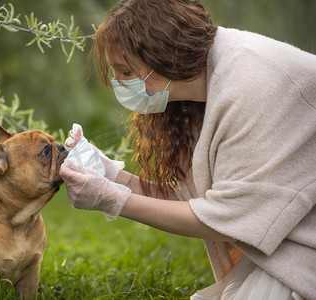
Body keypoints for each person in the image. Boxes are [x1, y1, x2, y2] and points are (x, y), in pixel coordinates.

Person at [59, 0, 316, 299]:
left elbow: (229, 218)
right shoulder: (206, 82)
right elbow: (197, 197)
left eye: (126, 71)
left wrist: (114, 200)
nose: (117, 82)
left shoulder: (251, 84)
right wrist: (113, 176)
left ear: (163, 57)